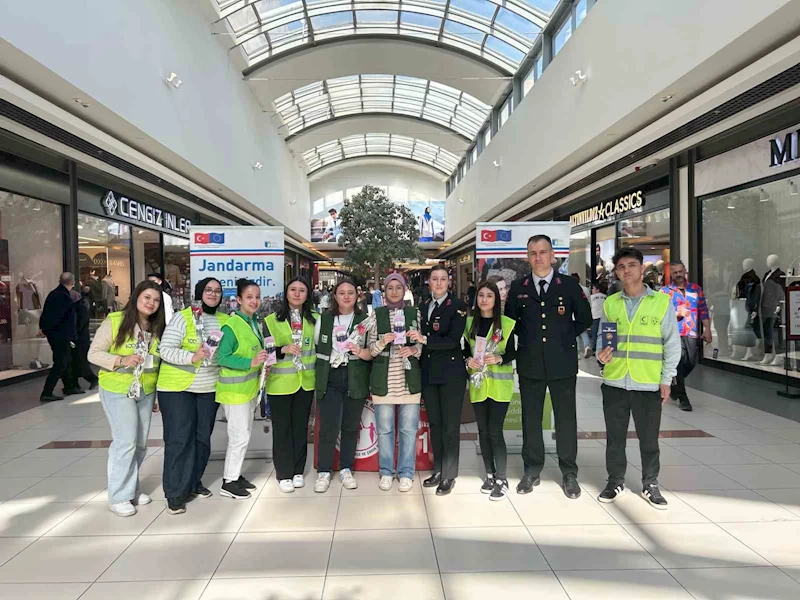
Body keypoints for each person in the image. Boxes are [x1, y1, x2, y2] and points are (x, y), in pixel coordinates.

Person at [505, 235, 592, 499]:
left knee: (565, 419)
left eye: (543, 252)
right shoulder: (518, 287)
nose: (538, 257)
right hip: (530, 362)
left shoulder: (567, 285)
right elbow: (510, 321)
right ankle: (532, 469)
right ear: (527, 256)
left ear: (553, 255)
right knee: (530, 418)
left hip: (562, 362)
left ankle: (569, 472)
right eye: (533, 253)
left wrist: (564, 338)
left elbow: (585, 318)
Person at [596, 247, 680, 510]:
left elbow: (671, 343)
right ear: (617, 272)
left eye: (631, 265)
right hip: (615, 382)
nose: (626, 271)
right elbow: (603, 338)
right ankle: (615, 480)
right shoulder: (611, 303)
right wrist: (602, 355)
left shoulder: (661, 302)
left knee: (649, 438)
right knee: (615, 437)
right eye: (621, 267)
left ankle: (650, 483)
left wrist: (667, 378)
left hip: (647, 382)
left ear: (641, 269)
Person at [88, 280, 165, 517]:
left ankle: (131, 488)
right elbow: (94, 353)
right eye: (147, 298)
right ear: (135, 297)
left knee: (140, 443)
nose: (151, 303)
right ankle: (119, 495)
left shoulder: (157, 328)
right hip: (118, 388)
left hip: (145, 391)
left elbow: (159, 363)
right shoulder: (115, 322)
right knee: (126, 441)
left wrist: (156, 396)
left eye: (156, 300)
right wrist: (122, 360)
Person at [156, 277, 228, 515]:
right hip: (177, 388)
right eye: (208, 290)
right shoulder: (183, 317)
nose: (213, 294)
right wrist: (191, 357)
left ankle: (192, 482)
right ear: (199, 293)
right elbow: (164, 350)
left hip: (208, 388)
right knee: (179, 439)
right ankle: (175, 492)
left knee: (201, 439)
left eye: (217, 291)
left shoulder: (224, 321)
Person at [410, 264, 468, 496]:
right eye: (435, 279)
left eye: (443, 279)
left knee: (450, 427)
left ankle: (449, 475)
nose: (439, 283)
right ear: (429, 282)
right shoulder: (423, 306)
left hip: (451, 375)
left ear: (449, 282)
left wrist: (423, 339)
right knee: (435, 424)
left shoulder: (458, 306)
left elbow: (452, 340)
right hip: (429, 373)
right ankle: (438, 469)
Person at [313, 279, 372, 493]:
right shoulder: (325, 319)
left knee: (350, 426)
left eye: (350, 293)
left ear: (357, 296)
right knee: (328, 427)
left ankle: (346, 468)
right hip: (330, 377)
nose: (346, 297)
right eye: (341, 293)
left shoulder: (364, 320)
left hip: (355, 376)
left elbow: (370, 350)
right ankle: (324, 471)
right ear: (334, 296)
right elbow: (318, 346)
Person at [366, 273, 423, 493]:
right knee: (385, 430)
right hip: (384, 382)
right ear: (384, 291)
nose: (394, 292)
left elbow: (423, 344)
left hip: (409, 382)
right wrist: (383, 341)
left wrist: (414, 349)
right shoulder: (376, 315)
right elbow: (371, 350)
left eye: (398, 287)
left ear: (405, 289)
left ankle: (407, 472)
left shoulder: (414, 313)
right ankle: (387, 472)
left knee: (408, 430)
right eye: (389, 288)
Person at [215, 279, 269, 500]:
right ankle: (228, 482)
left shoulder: (253, 322)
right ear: (238, 300)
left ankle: (234, 476)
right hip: (234, 392)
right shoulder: (232, 325)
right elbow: (222, 357)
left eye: (257, 296)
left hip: (248, 390)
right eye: (249, 297)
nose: (254, 301)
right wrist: (251, 362)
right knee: (239, 437)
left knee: (244, 435)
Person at [464, 281, 516, 501]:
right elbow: (464, 351)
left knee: (495, 431)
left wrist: (500, 357)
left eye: (489, 296)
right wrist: (467, 360)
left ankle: (502, 479)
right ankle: (489, 474)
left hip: (499, 387)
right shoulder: (469, 324)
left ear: (497, 299)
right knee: (483, 432)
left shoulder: (506, 324)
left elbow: (515, 353)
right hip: (478, 387)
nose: (484, 300)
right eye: (481, 295)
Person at [265, 277, 317, 493]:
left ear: (308, 295)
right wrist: (281, 350)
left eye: (302, 290)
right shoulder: (271, 321)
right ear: (286, 293)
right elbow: (264, 353)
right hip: (279, 383)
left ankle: (297, 470)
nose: (297, 294)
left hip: (306, 382)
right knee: (282, 428)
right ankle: (283, 472)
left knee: (300, 426)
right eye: (293, 290)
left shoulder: (315, 319)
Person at [660, 260, 711, 411]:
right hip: (672, 333)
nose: (678, 275)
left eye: (680, 271)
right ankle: (683, 398)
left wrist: (707, 329)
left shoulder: (695, 289)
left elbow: (703, 309)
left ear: (685, 271)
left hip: (691, 332)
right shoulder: (664, 292)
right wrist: (676, 314)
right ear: (671, 274)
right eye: (674, 272)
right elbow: (660, 314)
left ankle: (674, 386)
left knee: (691, 362)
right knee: (678, 363)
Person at [39, 272, 78, 402]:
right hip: (60, 335)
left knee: (64, 360)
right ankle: (47, 391)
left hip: (56, 333)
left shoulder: (55, 294)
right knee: (61, 362)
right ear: (73, 282)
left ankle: (69, 386)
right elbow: (59, 318)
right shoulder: (63, 296)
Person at [64, 284, 98, 393]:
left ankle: (91, 379)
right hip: (79, 338)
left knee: (79, 361)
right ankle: (74, 384)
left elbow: (79, 324)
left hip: (79, 339)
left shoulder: (79, 308)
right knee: (75, 361)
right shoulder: (80, 306)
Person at [589, 281, 608, 355]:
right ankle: (604, 348)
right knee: (604, 333)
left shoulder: (591, 297)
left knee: (595, 333)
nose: (592, 290)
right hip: (604, 316)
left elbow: (589, 306)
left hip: (595, 316)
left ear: (598, 289)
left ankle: (594, 348)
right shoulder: (605, 297)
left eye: (593, 289)